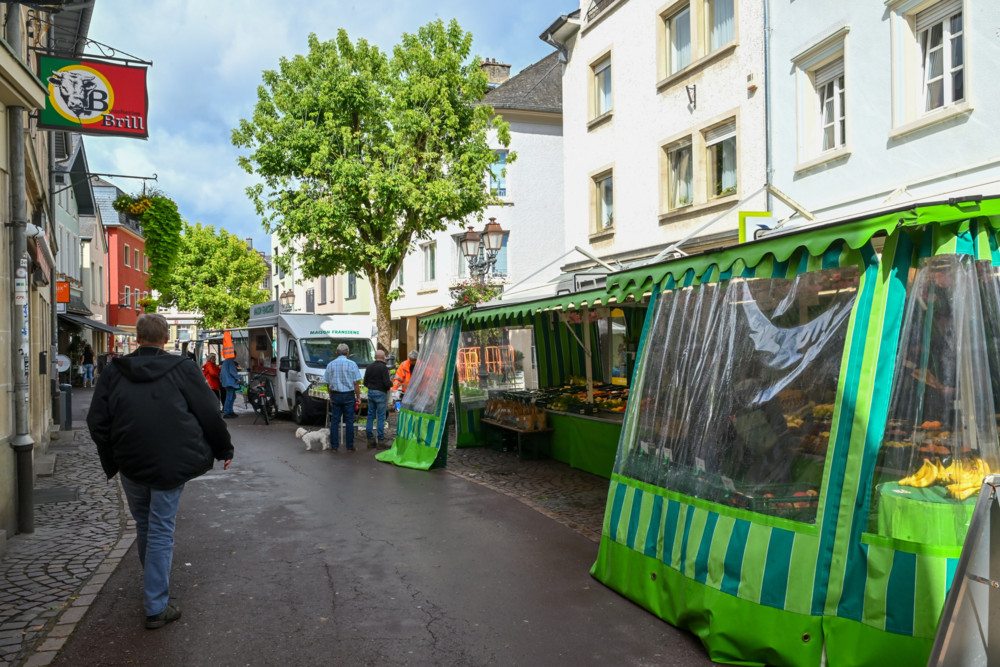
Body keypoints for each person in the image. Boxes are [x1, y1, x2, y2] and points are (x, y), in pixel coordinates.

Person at [86, 313, 233, 630]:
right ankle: (155, 604)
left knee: (145, 525)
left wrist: (113, 454)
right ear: (166, 338)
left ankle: (155, 589)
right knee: (161, 530)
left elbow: (96, 421)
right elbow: (208, 411)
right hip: (171, 462)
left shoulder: (114, 371)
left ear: (137, 338)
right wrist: (224, 448)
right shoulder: (182, 368)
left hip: (131, 462)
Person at [324, 343, 362, 452]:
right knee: (349, 421)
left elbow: (327, 383)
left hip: (336, 394)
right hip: (349, 395)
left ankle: (334, 447)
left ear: (336, 353)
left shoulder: (330, 364)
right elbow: (355, 383)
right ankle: (349, 447)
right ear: (347, 353)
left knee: (335, 421)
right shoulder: (352, 364)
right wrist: (358, 396)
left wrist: (331, 396)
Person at [363, 349, 392, 449]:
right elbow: (386, 383)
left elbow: (365, 382)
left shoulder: (369, 367)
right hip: (380, 393)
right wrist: (390, 384)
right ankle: (380, 440)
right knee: (381, 417)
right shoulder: (383, 368)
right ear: (384, 357)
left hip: (371, 392)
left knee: (370, 415)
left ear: (375, 357)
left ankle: (370, 440)